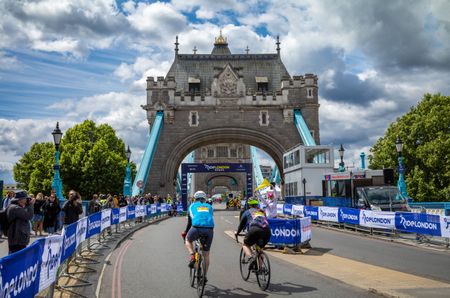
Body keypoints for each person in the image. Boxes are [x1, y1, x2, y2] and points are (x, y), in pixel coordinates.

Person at [181, 190, 214, 277]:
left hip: (196, 228)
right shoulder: (209, 207)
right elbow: (209, 217)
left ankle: (192, 255)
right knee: (206, 254)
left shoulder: (192, 206)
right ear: (205, 198)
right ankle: (205, 276)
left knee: (188, 240)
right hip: (209, 229)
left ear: (195, 198)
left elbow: (190, 222)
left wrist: (185, 232)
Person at [235, 198, 271, 263]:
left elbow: (241, 225)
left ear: (249, 205)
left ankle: (250, 258)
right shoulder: (261, 212)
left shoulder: (247, 212)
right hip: (267, 230)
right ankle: (261, 268)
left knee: (245, 244)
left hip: (255, 229)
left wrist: (237, 233)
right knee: (260, 249)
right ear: (257, 205)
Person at [7, 190, 35, 254]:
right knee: (16, 258)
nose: (27, 200)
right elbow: (29, 216)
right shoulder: (15, 208)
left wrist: (28, 205)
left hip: (17, 237)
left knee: (15, 257)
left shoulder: (14, 206)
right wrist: (30, 205)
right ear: (20, 200)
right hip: (17, 239)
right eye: (25, 198)